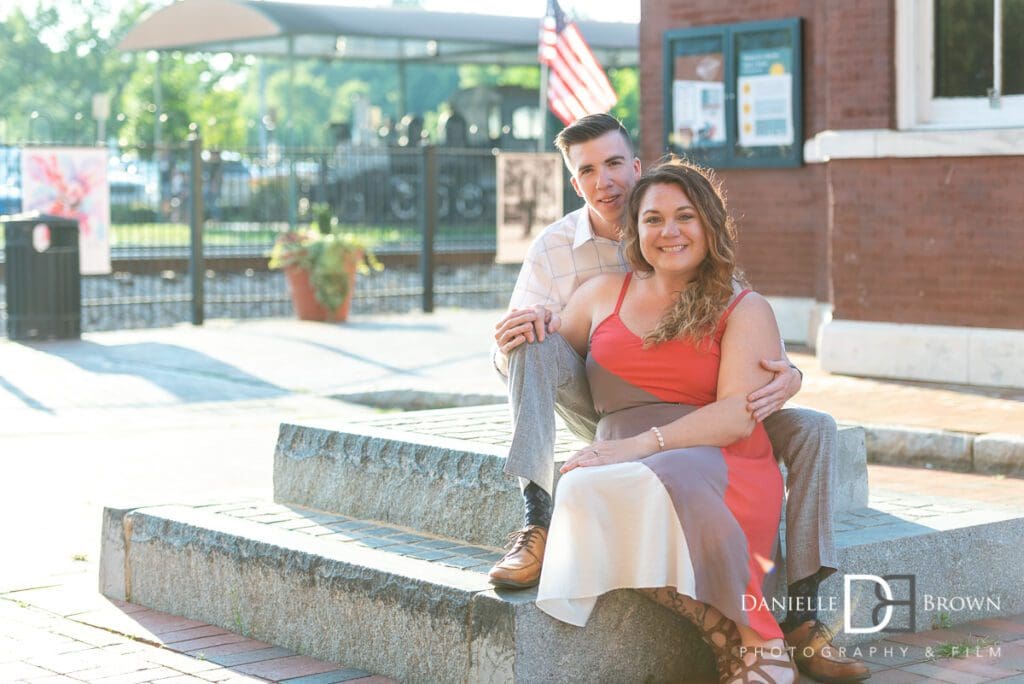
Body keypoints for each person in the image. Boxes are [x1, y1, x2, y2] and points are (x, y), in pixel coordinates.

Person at [489, 114, 868, 683]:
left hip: (705, 423)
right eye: (588, 170)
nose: (604, 179)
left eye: (614, 163)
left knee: (812, 428)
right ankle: (537, 517)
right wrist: (521, 335)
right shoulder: (564, 257)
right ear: (577, 184)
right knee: (535, 354)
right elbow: (531, 358)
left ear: (635, 167)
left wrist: (788, 372)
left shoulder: (729, 293)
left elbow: (742, 383)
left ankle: (801, 618)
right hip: (609, 410)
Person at [535, 156, 793, 681]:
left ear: (709, 226)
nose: (669, 231)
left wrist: (642, 445)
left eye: (685, 216)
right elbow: (548, 357)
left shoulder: (742, 306)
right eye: (653, 219)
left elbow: (736, 416)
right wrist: (529, 326)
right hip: (622, 451)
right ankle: (717, 628)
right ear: (635, 230)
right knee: (582, 488)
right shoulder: (602, 294)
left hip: (716, 455)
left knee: (661, 481)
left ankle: (762, 642)